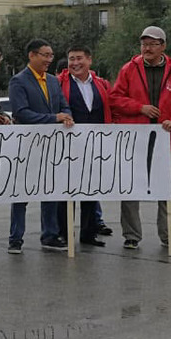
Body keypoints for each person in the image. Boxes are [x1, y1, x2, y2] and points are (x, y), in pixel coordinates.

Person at [110, 26, 171, 251]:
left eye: (152, 44)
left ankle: (168, 235)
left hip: (166, 141)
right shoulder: (129, 69)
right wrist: (140, 108)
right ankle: (131, 235)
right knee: (130, 189)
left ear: (163, 46)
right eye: (144, 44)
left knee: (167, 190)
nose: (147, 48)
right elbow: (115, 98)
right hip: (136, 140)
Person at [6, 40, 74, 253]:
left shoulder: (53, 81)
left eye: (51, 55)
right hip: (26, 146)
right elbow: (21, 113)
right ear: (32, 56)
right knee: (21, 194)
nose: (48, 60)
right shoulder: (18, 81)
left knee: (51, 191)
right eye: (45, 55)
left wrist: (66, 116)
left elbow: (64, 105)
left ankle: (50, 236)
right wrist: (54, 117)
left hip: (52, 147)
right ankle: (15, 239)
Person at [57, 45, 114, 248]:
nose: (75, 63)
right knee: (66, 192)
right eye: (71, 59)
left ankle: (89, 234)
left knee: (91, 191)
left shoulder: (102, 84)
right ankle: (64, 233)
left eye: (79, 58)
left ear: (89, 60)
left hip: (95, 147)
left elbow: (112, 108)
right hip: (67, 147)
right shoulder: (58, 83)